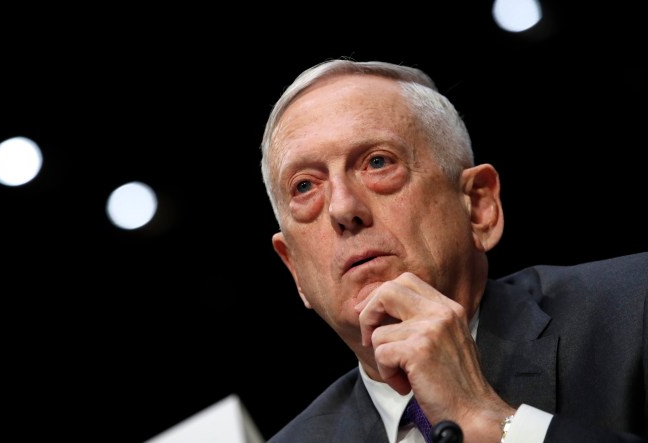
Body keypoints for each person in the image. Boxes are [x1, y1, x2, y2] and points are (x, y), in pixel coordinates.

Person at [258, 58, 647, 442]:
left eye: (378, 162)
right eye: (305, 186)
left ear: (478, 206)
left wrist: (486, 421)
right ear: (294, 270)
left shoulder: (636, 307)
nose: (343, 209)